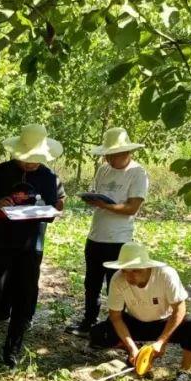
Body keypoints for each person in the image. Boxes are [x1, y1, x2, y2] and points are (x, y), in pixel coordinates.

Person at [0, 124, 65, 369]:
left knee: (24, 296)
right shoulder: (0, 172)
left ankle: (12, 351)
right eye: (25, 159)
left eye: (35, 160)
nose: (30, 165)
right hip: (2, 243)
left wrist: (49, 209)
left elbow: (53, 210)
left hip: (32, 246)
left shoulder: (49, 178)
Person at [66, 127, 149, 336]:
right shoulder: (103, 169)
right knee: (91, 282)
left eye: (114, 155)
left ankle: (116, 328)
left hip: (119, 239)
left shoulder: (137, 173)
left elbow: (132, 208)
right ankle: (89, 322)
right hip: (96, 235)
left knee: (116, 284)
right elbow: (100, 195)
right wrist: (93, 200)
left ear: (127, 152)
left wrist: (106, 206)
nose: (110, 159)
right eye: (107, 155)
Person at [88, 242, 191, 381]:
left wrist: (162, 341)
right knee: (99, 333)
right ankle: (136, 352)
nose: (129, 276)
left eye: (135, 271)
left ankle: (183, 371)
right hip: (135, 322)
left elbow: (179, 308)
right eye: (125, 271)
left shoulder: (165, 275)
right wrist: (131, 347)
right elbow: (116, 317)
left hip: (164, 322)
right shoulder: (117, 279)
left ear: (147, 266)